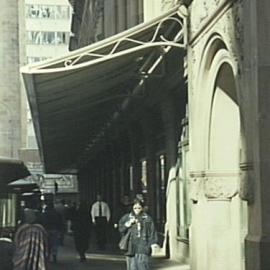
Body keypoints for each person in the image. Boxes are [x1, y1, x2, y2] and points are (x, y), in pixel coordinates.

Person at [118, 198, 158, 270]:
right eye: (135, 208)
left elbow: (152, 231)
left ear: (142, 208)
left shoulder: (147, 219)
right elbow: (121, 229)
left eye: (139, 208)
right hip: (130, 247)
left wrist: (152, 243)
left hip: (143, 246)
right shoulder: (127, 217)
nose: (137, 209)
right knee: (131, 267)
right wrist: (128, 224)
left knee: (142, 266)